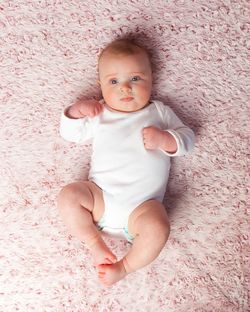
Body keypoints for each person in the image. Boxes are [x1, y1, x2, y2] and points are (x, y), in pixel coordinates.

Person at [58, 38, 195, 286]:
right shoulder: (100, 112)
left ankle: (124, 267)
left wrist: (166, 139)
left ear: (151, 79)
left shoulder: (160, 113)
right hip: (100, 199)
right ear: (100, 86)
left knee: (158, 226)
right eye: (113, 81)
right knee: (69, 195)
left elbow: (188, 139)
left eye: (135, 79)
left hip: (141, 210)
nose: (125, 88)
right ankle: (94, 243)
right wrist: (76, 112)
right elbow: (71, 134)